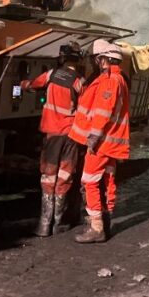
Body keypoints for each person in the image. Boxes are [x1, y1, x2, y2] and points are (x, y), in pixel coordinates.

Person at [21, 42, 86, 236]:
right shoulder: (79, 82)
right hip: (71, 136)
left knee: (48, 176)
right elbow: (85, 108)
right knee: (65, 176)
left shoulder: (51, 75)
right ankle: (58, 223)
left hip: (52, 135)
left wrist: (22, 84)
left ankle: (43, 225)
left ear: (62, 58)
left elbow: (32, 85)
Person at [68, 38, 129, 244]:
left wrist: (93, 136)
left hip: (102, 143)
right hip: (110, 143)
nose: (95, 62)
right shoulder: (118, 79)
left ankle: (96, 228)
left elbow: (103, 112)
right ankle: (106, 220)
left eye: (97, 59)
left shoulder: (110, 81)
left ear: (104, 59)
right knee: (108, 179)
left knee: (89, 180)